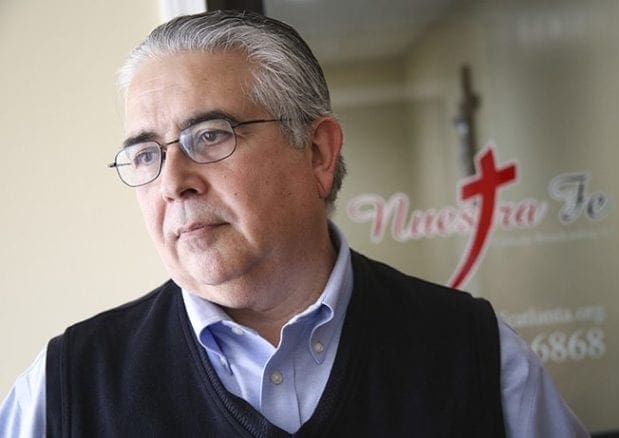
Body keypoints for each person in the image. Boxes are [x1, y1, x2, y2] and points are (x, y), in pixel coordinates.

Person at [1, 10, 589, 437]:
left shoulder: (478, 354)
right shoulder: (66, 390)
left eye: (209, 136)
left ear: (316, 152)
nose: (173, 180)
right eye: (146, 154)